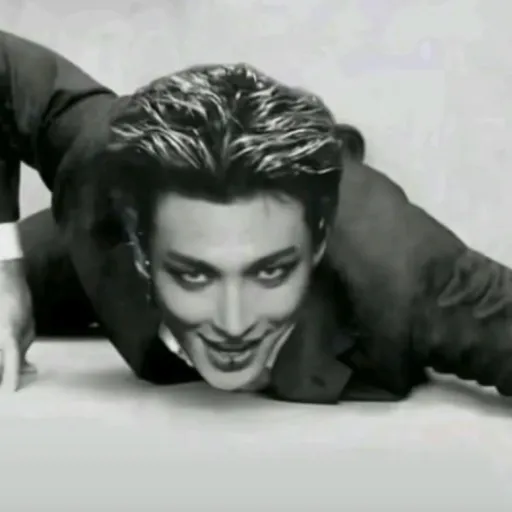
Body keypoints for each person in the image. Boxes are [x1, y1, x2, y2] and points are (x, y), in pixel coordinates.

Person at [3, 29, 512, 404]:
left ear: (317, 243)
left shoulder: (405, 275)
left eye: (270, 272)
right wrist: (4, 269)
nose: (234, 324)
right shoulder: (102, 170)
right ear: (140, 248)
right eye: (193, 274)